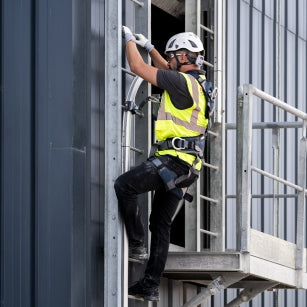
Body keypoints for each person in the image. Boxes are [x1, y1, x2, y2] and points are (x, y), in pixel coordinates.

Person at [114, 26, 209, 302]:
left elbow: (136, 66)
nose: (169, 60)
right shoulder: (197, 83)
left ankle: (136, 244)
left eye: (172, 56)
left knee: (125, 185)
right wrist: (152, 47)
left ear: (183, 56)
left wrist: (129, 39)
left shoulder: (181, 83)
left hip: (174, 160)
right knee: (161, 223)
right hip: (190, 169)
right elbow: (166, 68)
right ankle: (150, 284)